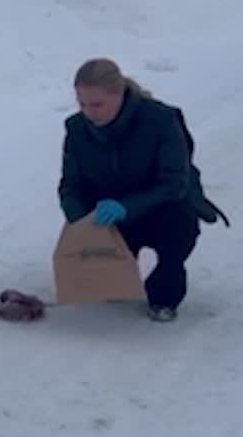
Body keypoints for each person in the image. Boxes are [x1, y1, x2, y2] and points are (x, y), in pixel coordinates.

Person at [58, 57, 226, 322]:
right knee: (104, 279)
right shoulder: (77, 129)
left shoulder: (161, 120)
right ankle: (118, 272)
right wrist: (80, 221)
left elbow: (175, 183)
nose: (89, 112)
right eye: (82, 104)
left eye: (97, 104)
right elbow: (71, 184)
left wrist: (127, 207)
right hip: (109, 212)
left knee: (177, 226)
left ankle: (164, 296)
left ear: (120, 95)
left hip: (162, 207)